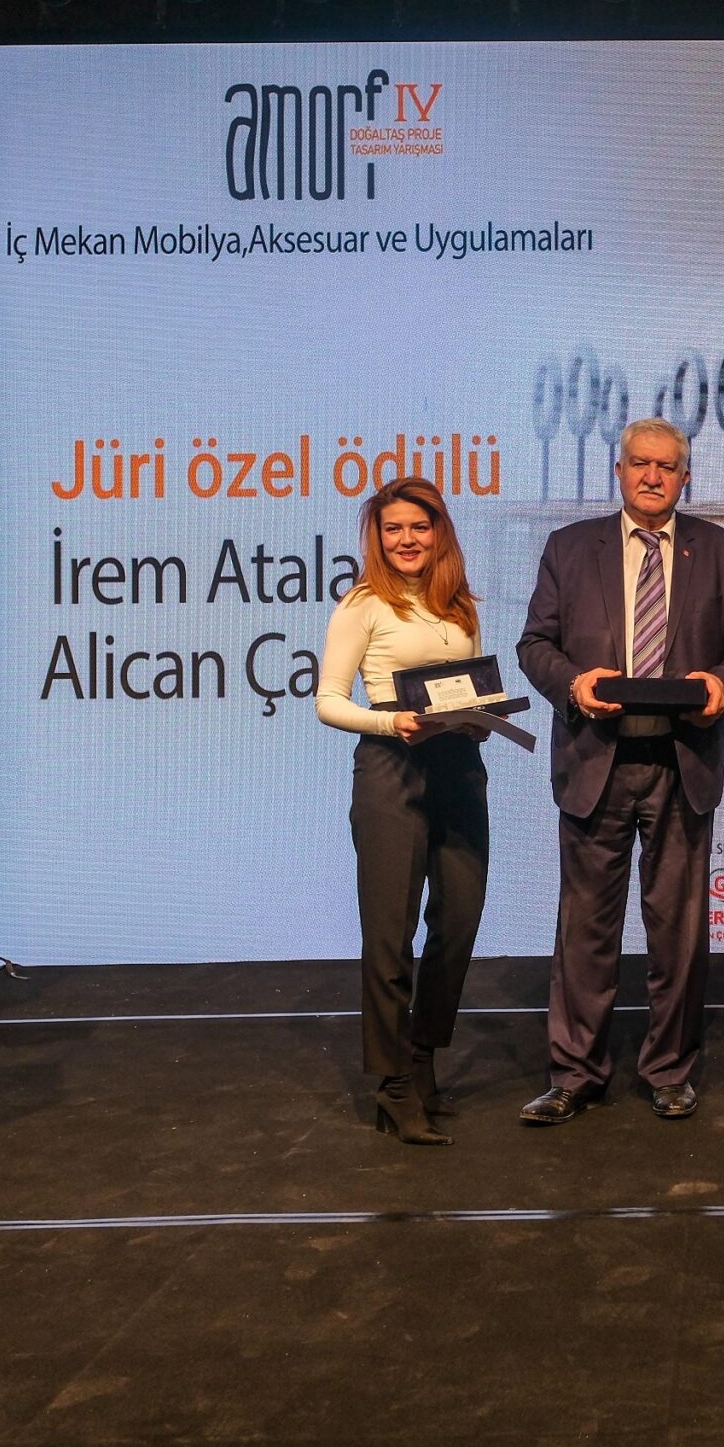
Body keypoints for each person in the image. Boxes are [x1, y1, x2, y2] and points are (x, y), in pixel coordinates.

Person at [515, 417, 724, 1124]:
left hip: (682, 761)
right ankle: (574, 1074)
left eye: (667, 466)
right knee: (584, 930)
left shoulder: (721, 549)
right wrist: (573, 683)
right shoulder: (569, 547)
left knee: (679, 933)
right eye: (640, 464)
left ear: (686, 477)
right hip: (597, 759)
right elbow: (535, 644)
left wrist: (722, 683)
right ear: (618, 471)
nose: (653, 476)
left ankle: (670, 1070)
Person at [315, 477, 492, 1147]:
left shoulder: (460, 604)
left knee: (460, 920)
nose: (407, 539)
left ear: (438, 531)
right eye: (393, 528)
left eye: (419, 526)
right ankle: (393, 1086)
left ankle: (422, 1057)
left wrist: (481, 719)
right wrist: (392, 722)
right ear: (378, 537)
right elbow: (328, 700)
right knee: (390, 934)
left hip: (458, 766)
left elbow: (472, 686)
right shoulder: (362, 604)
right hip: (392, 767)